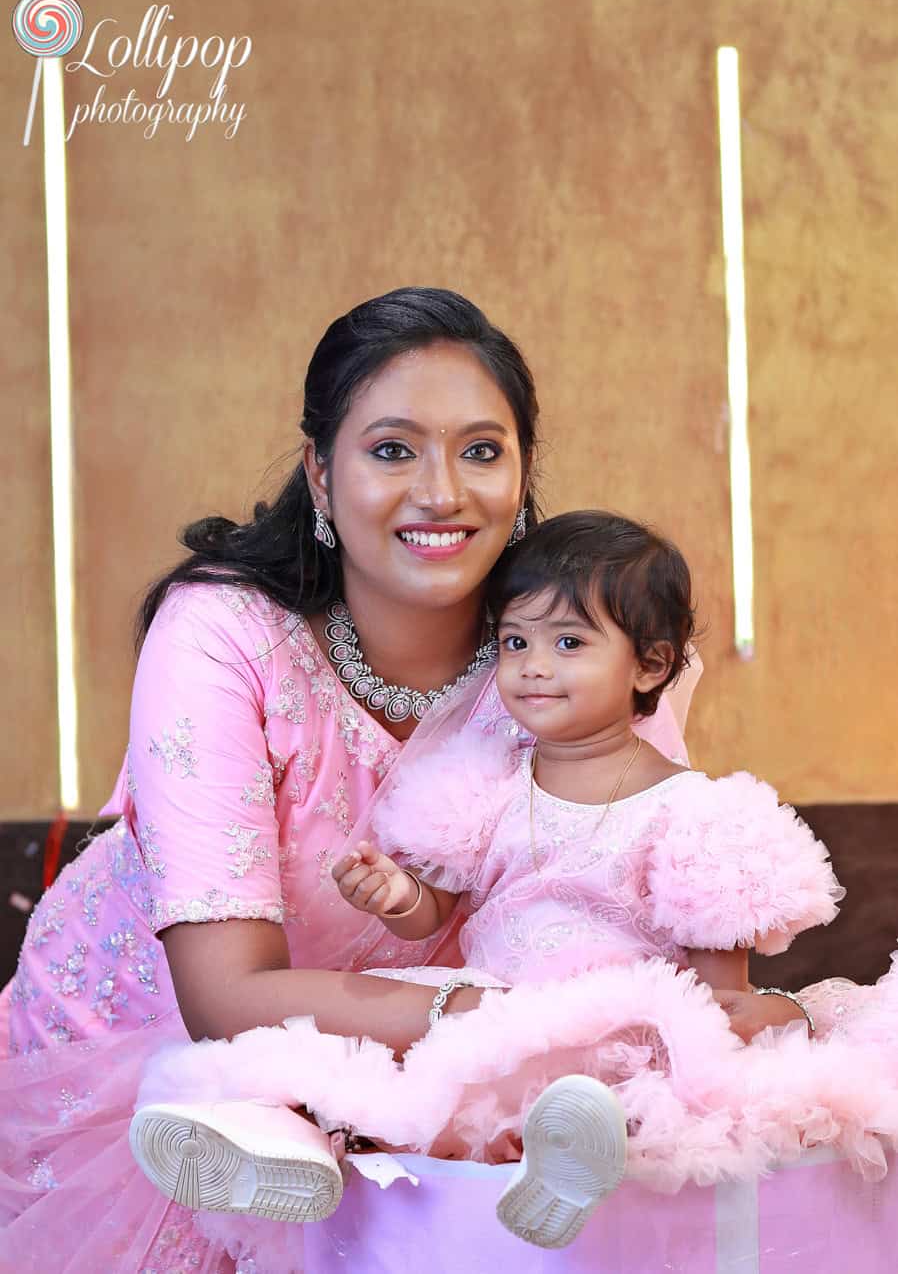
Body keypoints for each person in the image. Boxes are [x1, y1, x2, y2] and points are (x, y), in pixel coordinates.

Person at [1, 289, 797, 1274]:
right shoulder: (222, 636)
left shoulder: (571, 659)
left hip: (480, 1066)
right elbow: (221, 994)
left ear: (520, 474)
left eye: (480, 449)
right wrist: (477, 1017)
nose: (441, 492)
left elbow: (633, 909)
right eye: (390, 450)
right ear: (319, 477)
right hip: (175, 1061)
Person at [135, 511, 898, 1264]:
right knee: (369, 1039)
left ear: (651, 665)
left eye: (569, 643)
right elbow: (438, 907)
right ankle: (282, 1141)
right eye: (514, 642)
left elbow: (714, 998)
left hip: (612, 1025)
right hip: (493, 1000)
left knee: (598, 1067)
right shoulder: (491, 785)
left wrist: (730, 1027)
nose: (534, 665)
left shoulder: (698, 815)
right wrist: (399, 898)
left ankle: (565, 1156)